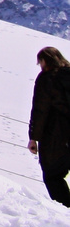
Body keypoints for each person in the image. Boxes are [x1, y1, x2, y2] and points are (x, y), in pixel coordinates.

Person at [29, 46, 70, 206]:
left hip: (55, 137)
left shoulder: (47, 79)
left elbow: (40, 111)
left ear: (45, 61)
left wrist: (34, 138)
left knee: (52, 176)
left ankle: (65, 212)